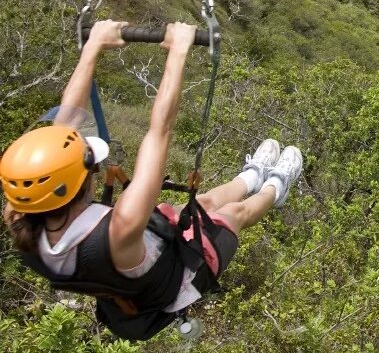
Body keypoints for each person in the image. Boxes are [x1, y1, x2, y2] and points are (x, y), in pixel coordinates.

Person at [0, 20, 303, 340]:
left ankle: (252, 175)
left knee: (203, 204)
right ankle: (276, 186)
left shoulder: (22, 219)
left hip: (133, 268)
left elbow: (67, 118)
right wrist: (178, 50)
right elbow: (160, 132)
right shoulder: (123, 225)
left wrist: (92, 49)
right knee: (231, 215)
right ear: (80, 181)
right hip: (179, 276)